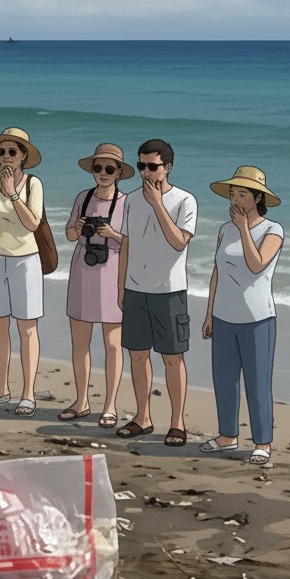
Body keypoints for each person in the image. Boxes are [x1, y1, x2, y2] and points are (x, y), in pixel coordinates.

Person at [200, 166, 284, 465]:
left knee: (258, 382)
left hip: (258, 318)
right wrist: (209, 314)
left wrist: (245, 228)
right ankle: (227, 436)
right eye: (232, 193)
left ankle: (262, 442)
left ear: (257, 198)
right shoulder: (225, 229)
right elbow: (217, 272)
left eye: (242, 193)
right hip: (224, 316)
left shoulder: (273, 230)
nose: (235, 198)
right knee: (224, 379)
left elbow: (256, 264)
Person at [117, 139, 197, 447]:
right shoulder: (131, 200)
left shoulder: (184, 201)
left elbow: (178, 241)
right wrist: (121, 285)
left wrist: (157, 205)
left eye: (152, 166)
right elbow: (126, 243)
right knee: (137, 355)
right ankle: (143, 417)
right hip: (136, 288)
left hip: (169, 290)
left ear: (168, 168)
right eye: (141, 166)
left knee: (172, 358)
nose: (146, 172)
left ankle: (177, 423)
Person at [0, 127, 45, 417]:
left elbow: (32, 224)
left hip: (25, 260)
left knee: (27, 328)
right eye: (1, 152)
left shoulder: (33, 184)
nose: (5, 157)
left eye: (12, 152)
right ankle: (2, 387)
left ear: (23, 156)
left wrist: (13, 194)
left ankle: (28, 393)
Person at [61, 143, 133, 427]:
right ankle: (81, 401)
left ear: (118, 173)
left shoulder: (128, 203)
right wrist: (78, 228)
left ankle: (110, 405)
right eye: (98, 167)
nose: (103, 173)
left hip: (112, 271)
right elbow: (68, 234)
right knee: (80, 342)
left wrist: (112, 234)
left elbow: (132, 242)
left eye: (109, 169)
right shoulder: (83, 197)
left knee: (113, 344)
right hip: (83, 268)